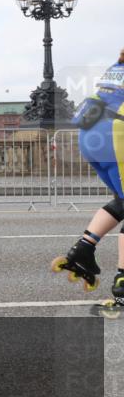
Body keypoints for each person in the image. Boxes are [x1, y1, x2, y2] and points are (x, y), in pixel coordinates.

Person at [52, 46, 124, 309]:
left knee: (122, 200)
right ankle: (123, 283)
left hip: (91, 135)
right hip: (116, 134)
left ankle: (84, 248)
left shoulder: (117, 68)